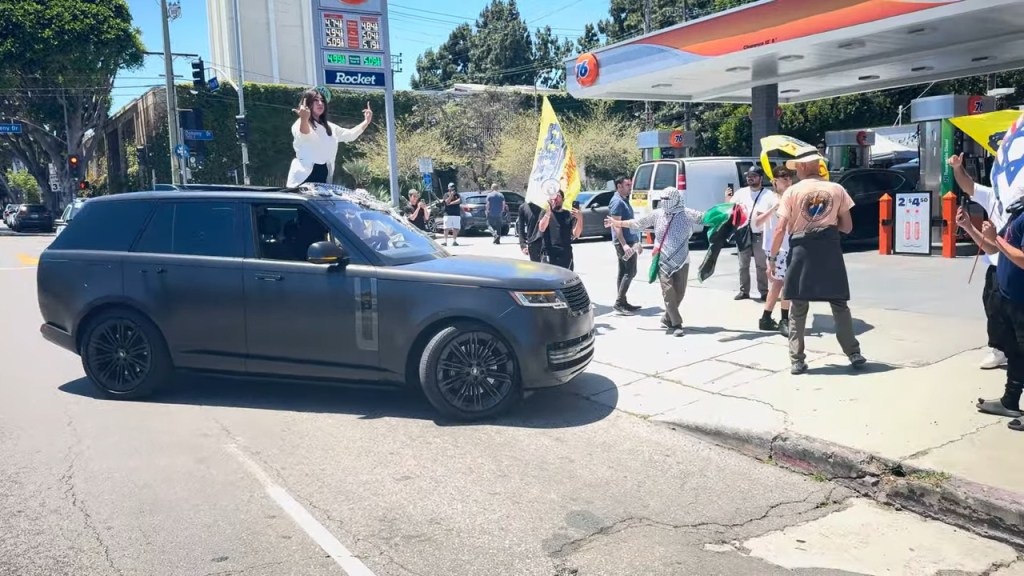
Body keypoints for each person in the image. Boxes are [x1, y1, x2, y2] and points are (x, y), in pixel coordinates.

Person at [771, 150, 866, 375]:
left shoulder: (792, 192)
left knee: (798, 306)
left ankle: (797, 359)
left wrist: (772, 257)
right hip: (829, 248)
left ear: (803, 168)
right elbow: (847, 227)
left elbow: (779, 228)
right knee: (839, 303)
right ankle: (853, 352)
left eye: (797, 169)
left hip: (802, 249)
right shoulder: (836, 189)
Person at [605, 187, 704, 337]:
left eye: (667, 199)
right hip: (663, 259)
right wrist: (617, 223)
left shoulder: (686, 214)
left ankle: (667, 318)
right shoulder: (657, 214)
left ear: (676, 199)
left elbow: (706, 218)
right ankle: (677, 324)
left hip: (683, 260)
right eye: (662, 199)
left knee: (679, 293)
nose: (664, 202)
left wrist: (728, 208)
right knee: (668, 291)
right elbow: (638, 223)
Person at [949, 153, 1008, 370]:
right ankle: (999, 350)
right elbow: (969, 186)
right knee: (993, 307)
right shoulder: (994, 195)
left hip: (1015, 262)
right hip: (996, 262)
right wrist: (957, 167)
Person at [287, 89, 372, 187]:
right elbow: (304, 133)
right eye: (316, 100)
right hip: (304, 177)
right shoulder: (300, 123)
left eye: (322, 100)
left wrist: (366, 122)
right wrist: (304, 118)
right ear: (308, 103)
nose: (320, 103)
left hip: (323, 174)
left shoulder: (330, 127)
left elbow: (350, 135)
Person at [727, 167, 773, 301]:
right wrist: (727, 197)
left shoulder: (768, 194)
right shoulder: (741, 193)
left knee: (761, 265)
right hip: (743, 233)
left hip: (760, 233)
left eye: (753, 175)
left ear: (760, 178)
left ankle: (764, 292)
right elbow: (729, 208)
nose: (750, 178)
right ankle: (744, 291)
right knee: (743, 265)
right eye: (748, 176)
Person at [757, 167, 793, 336]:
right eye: (783, 177)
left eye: (789, 177)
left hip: (789, 244)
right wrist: (773, 209)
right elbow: (757, 222)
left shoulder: (792, 196)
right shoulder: (768, 198)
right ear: (774, 181)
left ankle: (767, 317)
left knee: (781, 283)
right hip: (776, 247)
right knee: (783, 283)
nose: (787, 180)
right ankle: (783, 319)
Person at [609, 176, 642, 315]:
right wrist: (625, 245)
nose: (630, 187)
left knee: (623, 272)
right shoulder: (617, 202)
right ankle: (619, 303)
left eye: (630, 185)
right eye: (627, 185)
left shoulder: (623, 200)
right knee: (630, 271)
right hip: (624, 242)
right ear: (619, 186)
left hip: (629, 240)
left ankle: (622, 301)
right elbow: (617, 226)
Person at [538, 190, 583, 269]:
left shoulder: (568, 215)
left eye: (558, 196)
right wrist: (548, 213)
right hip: (549, 253)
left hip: (565, 255)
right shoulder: (545, 213)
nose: (555, 199)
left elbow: (576, 234)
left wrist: (580, 219)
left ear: (563, 199)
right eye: (553, 196)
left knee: (566, 280)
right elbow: (541, 228)